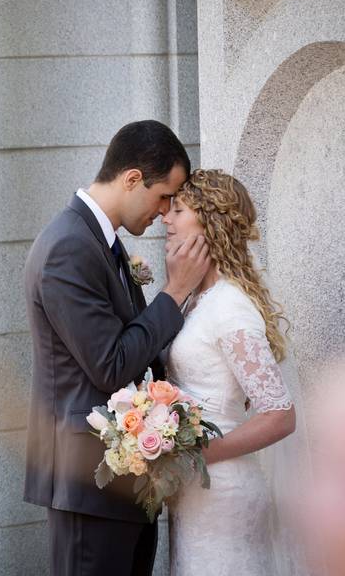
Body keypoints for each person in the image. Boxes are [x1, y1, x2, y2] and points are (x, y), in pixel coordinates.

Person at [23, 120, 211, 575]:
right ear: (131, 179)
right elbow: (110, 365)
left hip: (121, 484)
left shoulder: (98, 241)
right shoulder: (70, 246)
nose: (166, 212)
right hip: (87, 485)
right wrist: (173, 293)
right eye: (164, 195)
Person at [161, 169, 297, 576]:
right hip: (196, 489)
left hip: (224, 490)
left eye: (178, 209)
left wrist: (201, 455)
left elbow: (280, 414)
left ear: (208, 222)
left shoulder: (230, 307)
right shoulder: (196, 300)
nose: (166, 217)